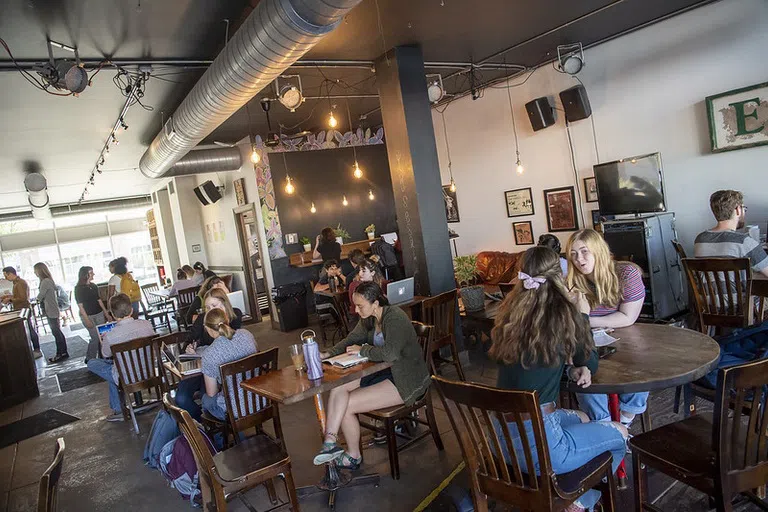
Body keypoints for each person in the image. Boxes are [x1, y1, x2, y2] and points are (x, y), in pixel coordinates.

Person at [490, 246, 628, 512]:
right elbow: (590, 360)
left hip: (501, 440)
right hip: (541, 448)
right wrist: (583, 314)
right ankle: (577, 502)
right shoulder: (565, 314)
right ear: (558, 275)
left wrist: (567, 370)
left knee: (584, 418)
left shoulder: (507, 314)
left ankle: (569, 494)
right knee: (620, 435)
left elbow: (531, 365)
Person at [313, 282, 430, 469]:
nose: (356, 310)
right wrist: (329, 353)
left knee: (346, 405)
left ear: (375, 303)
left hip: (405, 378)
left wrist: (364, 350)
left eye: (360, 306)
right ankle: (330, 442)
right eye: (355, 305)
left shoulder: (395, 318)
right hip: (384, 371)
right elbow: (352, 339)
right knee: (339, 387)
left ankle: (353, 456)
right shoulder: (369, 318)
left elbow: (390, 353)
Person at [566, 229, 648, 426]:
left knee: (641, 372)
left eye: (585, 251)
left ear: (599, 251)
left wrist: (585, 320)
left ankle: (625, 424)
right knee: (583, 373)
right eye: (573, 254)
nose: (579, 259)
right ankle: (604, 427)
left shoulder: (626, 274)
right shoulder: (569, 281)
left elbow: (628, 317)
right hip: (588, 343)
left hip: (624, 341)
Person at [175, 290, 244, 420]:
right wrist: (190, 348)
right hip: (199, 368)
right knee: (181, 398)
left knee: (206, 395)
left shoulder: (234, 317)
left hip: (219, 372)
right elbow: (188, 341)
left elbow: (232, 345)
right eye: (207, 307)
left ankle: (212, 426)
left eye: (214, 305)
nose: (210, 310)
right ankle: (202, 423)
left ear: (225, 305)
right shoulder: (202, 320)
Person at [86, 293, 155, 422]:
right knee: (117, 366)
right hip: (149, 372)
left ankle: (118, 410)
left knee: (93, 363)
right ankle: (120, 408)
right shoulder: (146, 325)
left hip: (125, 378)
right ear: (132, 309)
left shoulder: (111, 335)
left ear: (112, 314)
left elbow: (106, 354)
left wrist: (104, 339)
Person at [200, 307, 258, 421]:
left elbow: (212, 393)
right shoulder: (247, 335)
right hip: (261, 398)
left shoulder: (209, 355)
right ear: (227, 319)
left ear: (208, 329)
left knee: (206, 400)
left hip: (235, 410)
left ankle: (227, 435)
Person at [694, 190, 768, 277]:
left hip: (705, 291)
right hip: (740, 291)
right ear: (738, 210)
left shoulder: (700, 239)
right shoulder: (744, 242)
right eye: (744, 208)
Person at [1, 266, 41, 358]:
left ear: (10, 274)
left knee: (30, 330)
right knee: (28, 330)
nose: (5, 278)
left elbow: (23, 298)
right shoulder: (16, 283)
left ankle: (37, 349)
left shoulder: (20, 283)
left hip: (24, 309)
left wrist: (10, 298)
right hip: (21, 309)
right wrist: (9, 297)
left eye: (6, 275)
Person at [74, 266, 112, 362]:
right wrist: (86, 320)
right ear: (85, 275)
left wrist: (106, 313)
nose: (93, 274)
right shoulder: (78, 289)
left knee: (103, 336)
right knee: (95, 337)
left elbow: (99, 301)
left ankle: (102, 355)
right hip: (88, 315)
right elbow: (80, 306)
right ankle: (90, 358)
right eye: (91, 273)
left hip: (98, 313)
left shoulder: (94, 286)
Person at [34, 262, 69, 363]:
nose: (35, 273)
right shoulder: (48, 280)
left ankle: (61, 353)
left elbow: (40, 296)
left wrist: (34, 300)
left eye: (35, 270)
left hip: (51, 310)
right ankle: (63, 352)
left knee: (56, 332)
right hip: (52, 309)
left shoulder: (45, 281)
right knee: (57, 332)